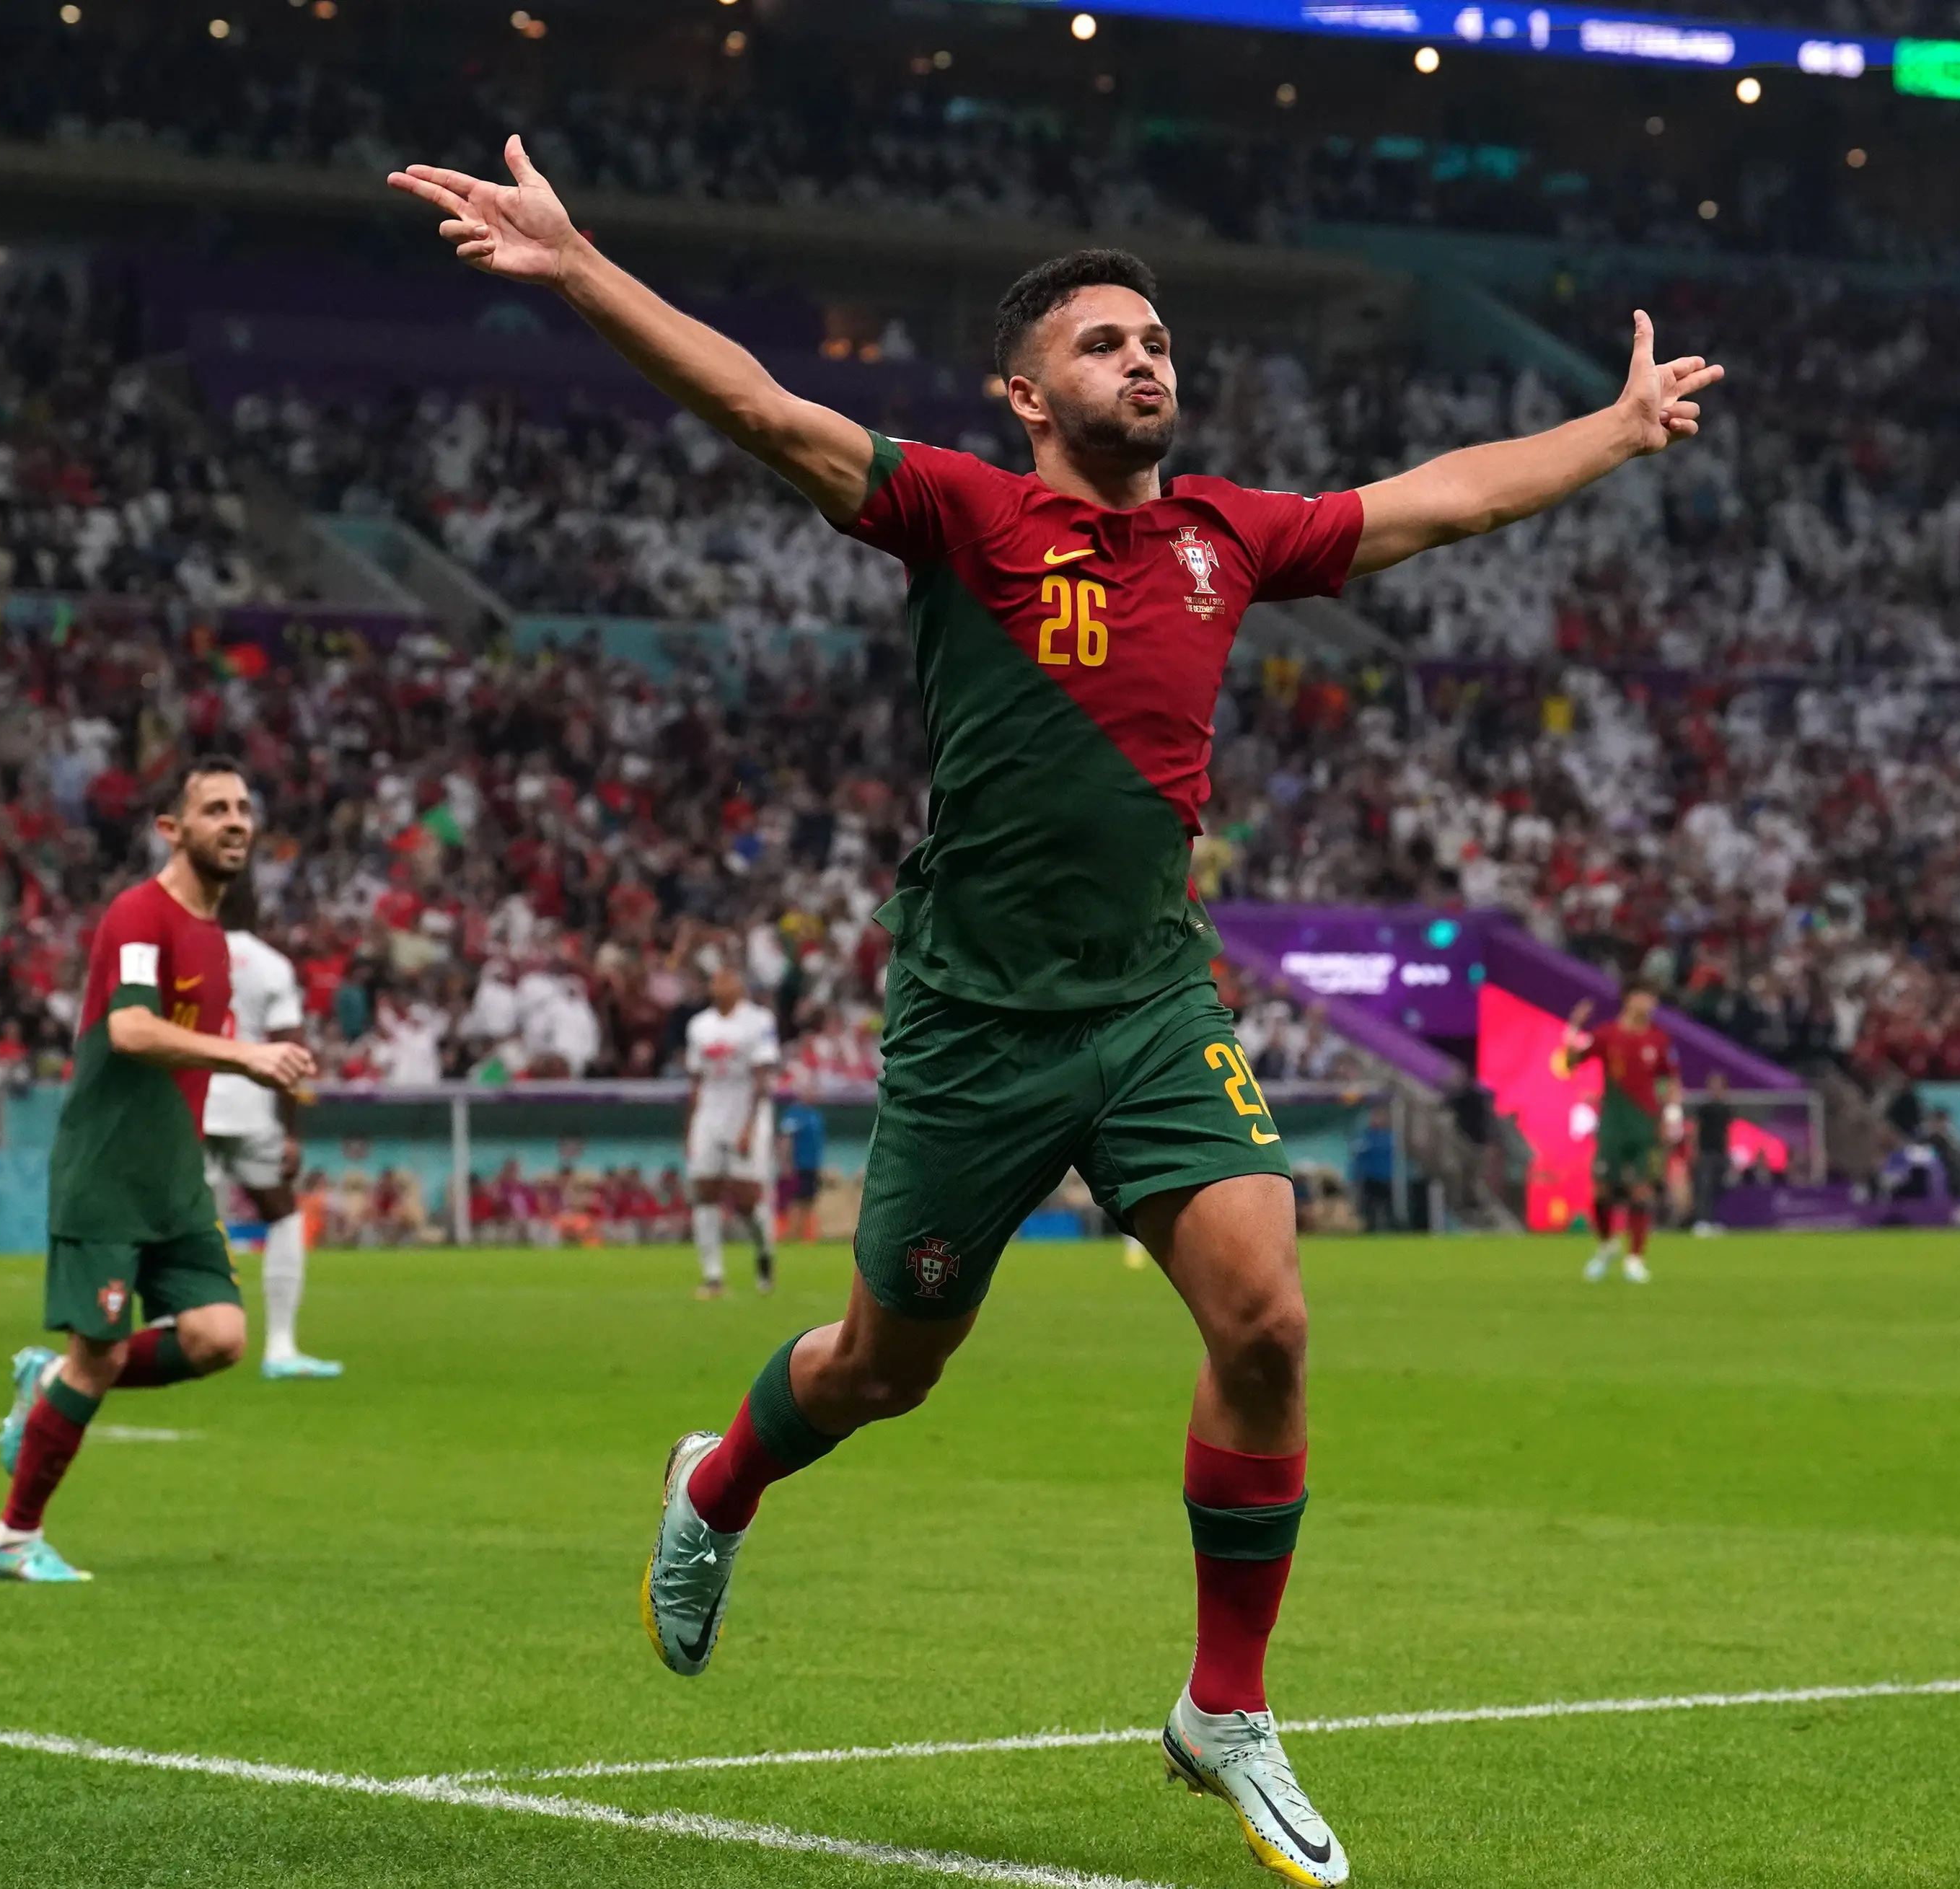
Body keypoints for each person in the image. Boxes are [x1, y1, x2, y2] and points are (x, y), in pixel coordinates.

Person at [390, 136, 1718, 1886]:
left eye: (1155, 338)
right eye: (1103, 343)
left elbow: (1441, 498)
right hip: (973, 1022)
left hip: (1151, 998)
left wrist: (1614, 432)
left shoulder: (1225, 533)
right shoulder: (963, 512)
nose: (1144, 359)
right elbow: (765, 409)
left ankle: (1224, 1707)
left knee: (1267, 1319)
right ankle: (717, 1484)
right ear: (1024, 394)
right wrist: (579, 268)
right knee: (884, 1367)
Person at [0, 757, 317, 1583]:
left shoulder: (214, 940)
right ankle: (13, 1538)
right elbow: (131, 1030)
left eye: (243, 808)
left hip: (174, 1178)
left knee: (219, 1337)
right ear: (172, 829)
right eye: (215, 809)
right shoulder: (139, 914)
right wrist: (247, 1056)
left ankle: (49, 1382)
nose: (235, 821)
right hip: (107, 1173)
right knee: (96, 1359)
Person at [203, 872, 338, 1379]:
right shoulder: (270, 964)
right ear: (253, 908)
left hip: (190, 1102)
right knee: (281, 1215)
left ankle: (183, 1327)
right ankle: (281, 1347)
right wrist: (291, 1132)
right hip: (250, 1107)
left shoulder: (182, 957)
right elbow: (290, 1051)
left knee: (192, 1219)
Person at [1563, 985, 1679, 1283]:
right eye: (1644, 996)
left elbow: (1670, 1079)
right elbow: (1571, 1063)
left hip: (1645, 1125)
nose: (1650, 1003)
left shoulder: (1659, 1039)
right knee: (1602, 1191)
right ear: (1629, 1000)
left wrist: (1672, 1116)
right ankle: (1607, 1245)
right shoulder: (1607, 1035)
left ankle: (1635, 1259)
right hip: (1613, 1125)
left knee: (1641, 1190)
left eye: (1652, 998)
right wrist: (1573, 1028)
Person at [684, 963, 781, 1298]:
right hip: (710, 1112)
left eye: (726, 979)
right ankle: (713, 1276)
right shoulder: (699, 1026)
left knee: (746, 1199)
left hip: (745, 1111)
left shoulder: (759, 1021)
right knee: (704, 1191)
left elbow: (762, 1078)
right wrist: (690, 1127)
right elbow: (696, 1079)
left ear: (739, 985)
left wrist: (749, 1127)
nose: (719, 985)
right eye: (715, 980)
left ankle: (764, 1252)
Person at [777, 1093, 827, 1243]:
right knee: (796, 1201)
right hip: (798, 1166)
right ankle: (792, 1235)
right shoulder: (794, 1115)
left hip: (813, 1167)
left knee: (809, 1201)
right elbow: (786, 1140)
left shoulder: (815, 1115)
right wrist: (785, 1163)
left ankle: (805, 1236)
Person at [1689, 1072, 1734, 1236]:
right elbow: (1696, 1129)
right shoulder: (1704, 1109)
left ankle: (1711, 1220)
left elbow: (1727, 1132)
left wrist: (1728, 1152)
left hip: (1720, 1153)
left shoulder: (1726, 1109)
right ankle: (1701, 1221)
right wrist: (1695, 1150)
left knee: (1716, 1188)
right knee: (1704, 1188)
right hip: (1705, 1152)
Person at [1348, 1105, 1396, 1235]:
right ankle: (1369, 1231)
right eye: (1374, 1116)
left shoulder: (1391, 1137)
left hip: (1387, 1178)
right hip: (1369, 1179)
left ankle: (1392, 1231)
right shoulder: (1365, 1136)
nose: (1376, 1120)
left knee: (1389, 1208)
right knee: (1369, 1209)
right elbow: (1356, 1155)